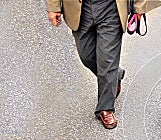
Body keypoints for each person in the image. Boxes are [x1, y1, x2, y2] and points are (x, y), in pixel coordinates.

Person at [46, 0, 147, 129]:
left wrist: (139, 7)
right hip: (80, 9)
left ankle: (105, 108)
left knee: (107, 61)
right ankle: (115, 74)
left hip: (111, 8)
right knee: (86, 56)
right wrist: (53, 7)